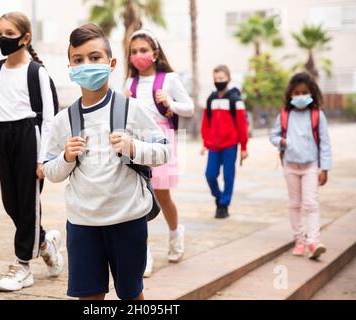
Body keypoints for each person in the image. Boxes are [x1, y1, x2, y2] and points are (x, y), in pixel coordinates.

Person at [43, 23, 171, 300]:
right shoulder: (62, 120)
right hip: (82, 223)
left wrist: (134, 147)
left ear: (111, 63)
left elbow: (164, 151)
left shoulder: (132, 109)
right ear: (70, 67)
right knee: (89, 297)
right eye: (78, 60)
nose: (86, 64)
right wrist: (66, 157)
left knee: (131, 294)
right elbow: (49, 171)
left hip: (128, 220)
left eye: (95, 57)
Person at [0, 12, 63, 292]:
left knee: (28, 202)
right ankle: (44, 242)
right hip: (3, 137)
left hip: (30, 135)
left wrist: (44, 157)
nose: (3, 38)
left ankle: (22, 265)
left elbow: (50, 117)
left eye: (9, 33)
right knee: (11, 203)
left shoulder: (36, 72)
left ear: (25, 38)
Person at [124, 29, 194, 276]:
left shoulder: (169, 79)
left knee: (162, 196)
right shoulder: (128, 84)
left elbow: (190, 108)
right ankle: (144, 254)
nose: (138, 55)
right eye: (134, 52)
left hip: (162, 140)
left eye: (143, 50)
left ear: (154, 53)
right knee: (139, 198)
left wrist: (170, 103)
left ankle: (176, 234)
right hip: (135, 143)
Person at [270, 72, 331, 259]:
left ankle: (314, 241)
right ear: (290, 94)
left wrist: (325, 168)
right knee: (294, 204)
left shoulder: (317, 115)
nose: (300, 96)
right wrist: (280, 141)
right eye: (296, 93)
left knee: (311, 204)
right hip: (290, 166)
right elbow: (273, 135)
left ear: (312, 93)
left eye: (304, 92)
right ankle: (299, 240)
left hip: (311, 166)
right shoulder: (284, 115)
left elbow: (324, 143)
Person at [200, 65, 249, 219]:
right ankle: (219, 197)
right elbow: (205, 123)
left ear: (228, 78)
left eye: (221, 78)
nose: (218, 81)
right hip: (213, 146)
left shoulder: (236, 100)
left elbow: (242, 125)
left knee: (228, 176)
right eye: (215, 79)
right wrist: (205, 143)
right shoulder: (211, 99)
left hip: (230, 146)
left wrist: (244, 147)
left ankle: (224, 205)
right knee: (210, 175)